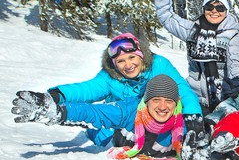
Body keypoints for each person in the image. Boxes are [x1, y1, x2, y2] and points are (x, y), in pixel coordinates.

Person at [15, 33, 203, 146]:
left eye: (132, 58)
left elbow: (181, 89)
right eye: (120, 61)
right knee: (104, 131)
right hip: (117, 119)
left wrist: (193, 116)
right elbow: (87, 90)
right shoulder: (109, 76)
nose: (128, 65)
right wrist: (56, 96)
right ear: (114, 64)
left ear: (142, 56)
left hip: (151, 118)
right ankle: (65, 115)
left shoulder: (159, 65)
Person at [11, 75, 209, 160]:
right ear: (146, 102)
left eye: (169, 101)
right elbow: (92, 113)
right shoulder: (130, 110)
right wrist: (58, 112)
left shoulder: (182, 125)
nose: (163, 107)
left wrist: (192, 155)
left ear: (177, 105)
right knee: (93, 124)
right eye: (156, 100)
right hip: (110, 134)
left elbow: (195, 144)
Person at [154, 0, 239, 115]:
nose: (214, 11)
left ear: (227, 11)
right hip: (195, 98)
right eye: (209, 7)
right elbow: (166, 17)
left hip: (223, 97)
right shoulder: (192, 30)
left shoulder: (232, 35)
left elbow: (236, 61)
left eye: (220, 7)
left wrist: (237, 79)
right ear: (204, 9)